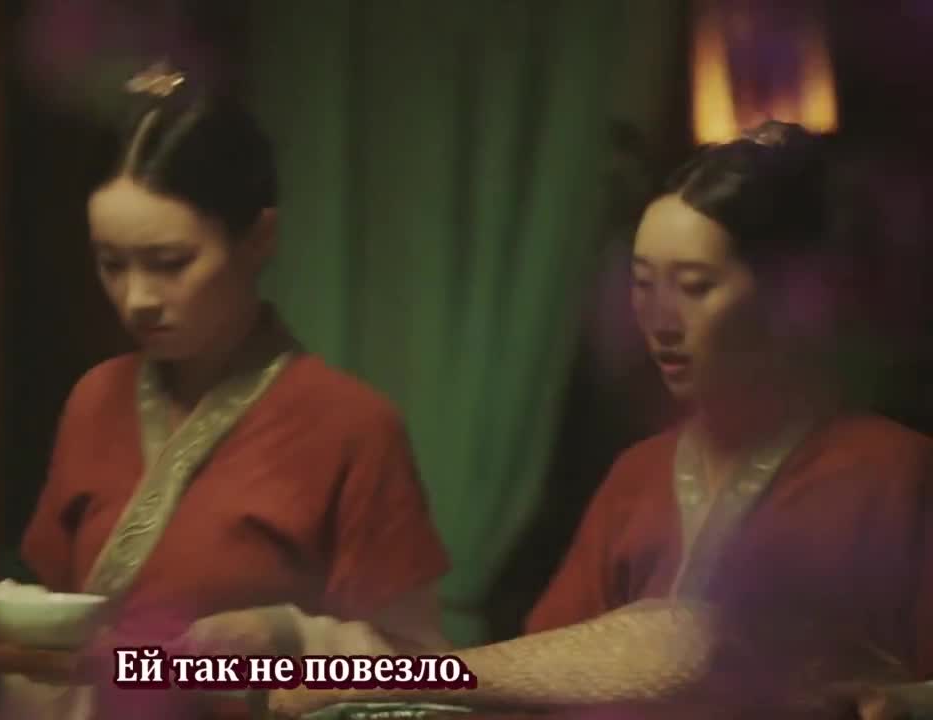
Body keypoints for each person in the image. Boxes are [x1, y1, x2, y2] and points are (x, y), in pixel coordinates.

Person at [270, 121, 932, 719]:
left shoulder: (894, 472)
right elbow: (543, 677)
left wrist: (900, 701)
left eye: (695, 286)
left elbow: (693, 647)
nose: (660, 320)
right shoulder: (637, 475)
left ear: (784, 295)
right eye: (643, 284)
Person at [0, 61, 450, 717]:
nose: (138, 299)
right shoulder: (95, 399)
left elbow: (422, 668)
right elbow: (69, 617)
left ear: (258, 239)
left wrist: (283, 636)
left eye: (170, 263)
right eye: (112, 265)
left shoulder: (351, 424)